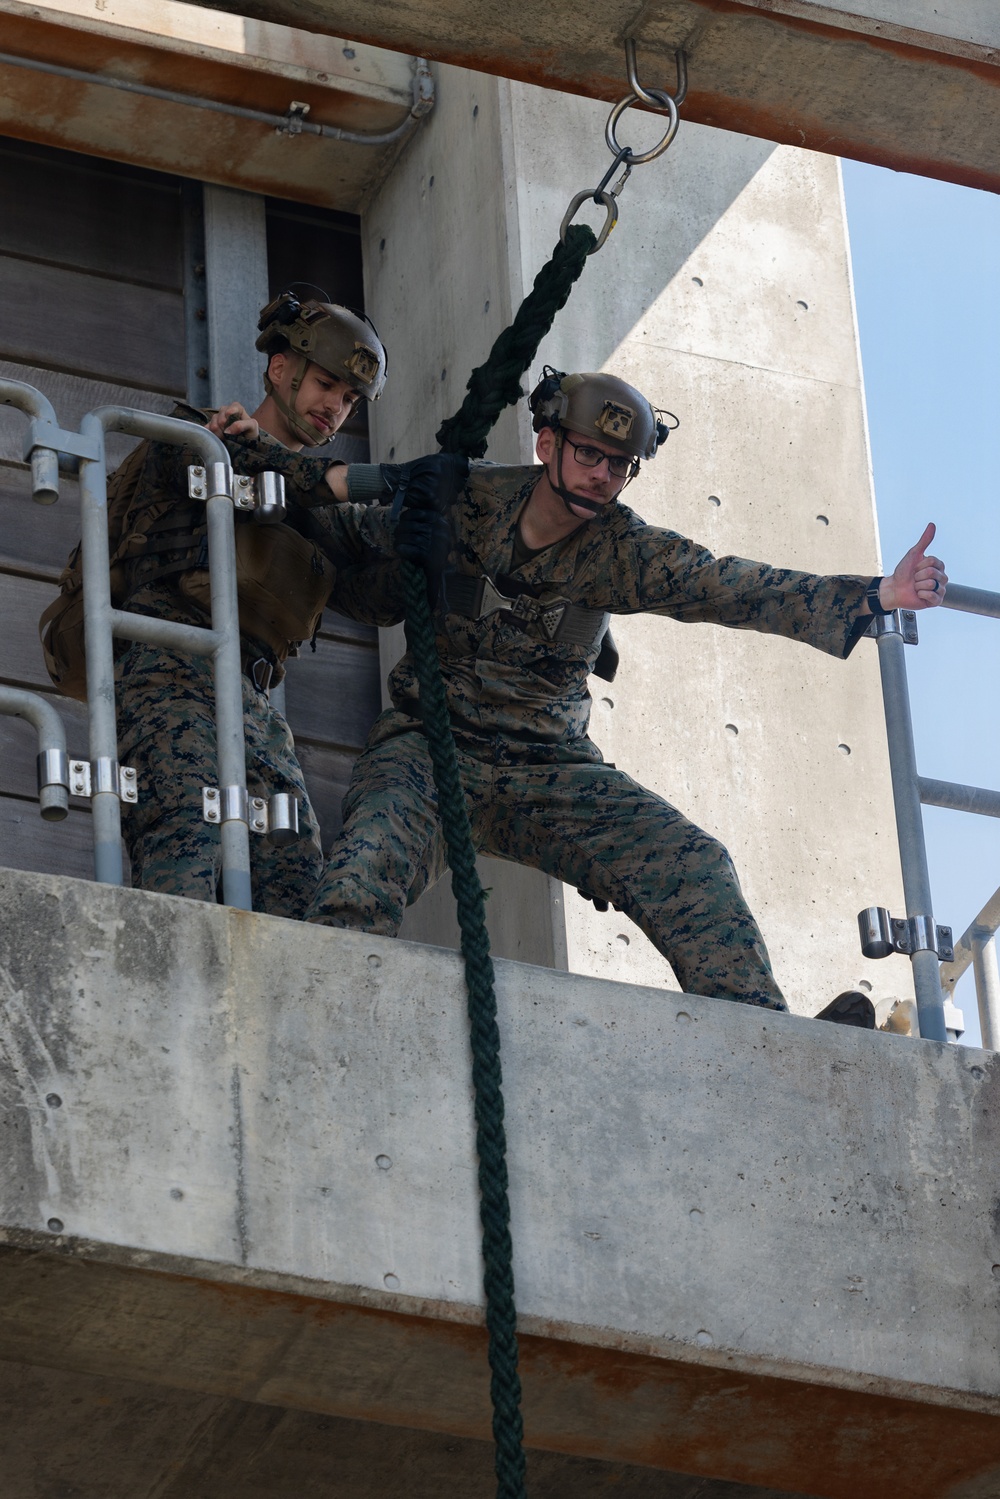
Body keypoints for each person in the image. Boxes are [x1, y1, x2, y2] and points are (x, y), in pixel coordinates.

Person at [304, 369, 947, 1020]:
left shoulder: (622, 550)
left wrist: (878, 595)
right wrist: (260, 481)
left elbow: (725, 586)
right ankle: (322, 1024)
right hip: (428, 752)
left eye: (620, 465)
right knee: (358, 881)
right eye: (589, 454)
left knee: (694, 866)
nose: (602, 476)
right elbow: (339, 534)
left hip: (549, 767)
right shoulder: (466, 500)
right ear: (546, 444)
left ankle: (766, 1047)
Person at [114, 293, 391, 916]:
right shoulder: (201, 434)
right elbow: (230, 463)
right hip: (168, 667)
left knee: (295, 874)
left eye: (349, 399)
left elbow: (377, 599)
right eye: (326, 384)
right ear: (279, 368)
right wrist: (356, 484)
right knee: (181, 850)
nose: (335, 409)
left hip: (250, 698)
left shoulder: (317, 508)